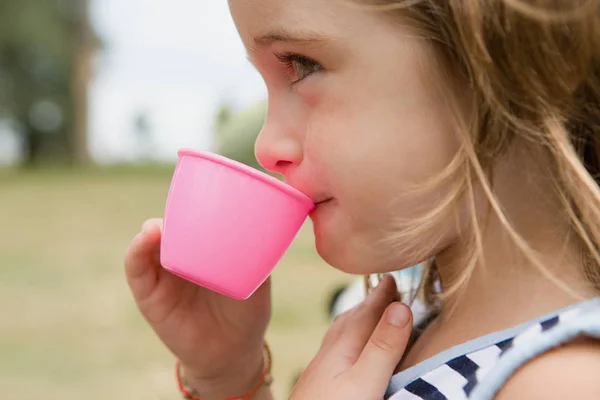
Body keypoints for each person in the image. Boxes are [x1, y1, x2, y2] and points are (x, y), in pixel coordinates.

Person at [124, 1, 600, 399]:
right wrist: (231, 376)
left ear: (497, 57)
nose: (266, 146)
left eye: (303, 65)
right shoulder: (413, 326)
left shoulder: (563, 380)